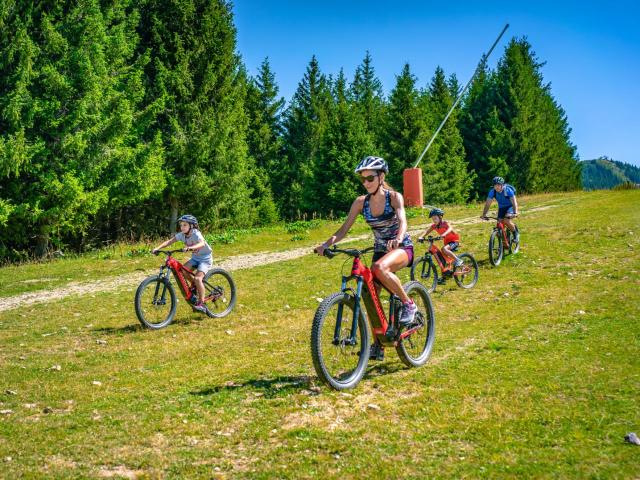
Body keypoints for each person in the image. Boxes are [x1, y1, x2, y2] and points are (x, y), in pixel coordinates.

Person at [315, 156, 417, 359]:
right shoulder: (361, 203)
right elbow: (343, 229)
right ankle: (378, 344)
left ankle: (409, 304)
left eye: (370, 178)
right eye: (363, 179)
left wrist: (397, 238)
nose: (366, 183)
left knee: (379, 268)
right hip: (380, 249)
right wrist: (326, 245)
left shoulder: (394, 197)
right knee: (370, 295)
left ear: (381, 177)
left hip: (401, 247)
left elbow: (403, 221)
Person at [152, 214, 213, 315]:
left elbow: (202, 243)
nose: (182, 227)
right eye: (181, 225)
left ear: (191, 226)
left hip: (205, 259)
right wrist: (157, 248)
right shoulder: (181, 235)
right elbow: (170, 241)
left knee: (198, 279)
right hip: (195, 258)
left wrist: (190, 248)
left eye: (185, 225)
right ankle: (195, 286)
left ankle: (201, 304)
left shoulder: (196, 233)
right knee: (183, 270)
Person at [418, 208, 463, 272]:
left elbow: (450, 228)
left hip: (454, 241)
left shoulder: (445, 223)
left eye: (435, 218)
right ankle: (448, 269)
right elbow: (426, 231)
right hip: (447, 242)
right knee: (443, 254)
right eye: (433, 219)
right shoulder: (434, 226)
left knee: (444, 249)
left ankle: (458, 260)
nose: (434, 220)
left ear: (440, 217)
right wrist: (421, 236)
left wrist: (444, 234)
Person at [481, 176, 519, 242]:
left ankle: (515, 234)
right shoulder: (492, 192)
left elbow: (514, 202)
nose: (497, 187)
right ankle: (504, 243)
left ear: (502, 185)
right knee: (499, 226)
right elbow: (487, 204)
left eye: (498, 185)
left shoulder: (507, 190)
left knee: (506, 220)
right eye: (495, 185)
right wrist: (484, 214)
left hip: (510, 206)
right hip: (501, 208)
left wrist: (515, 212)